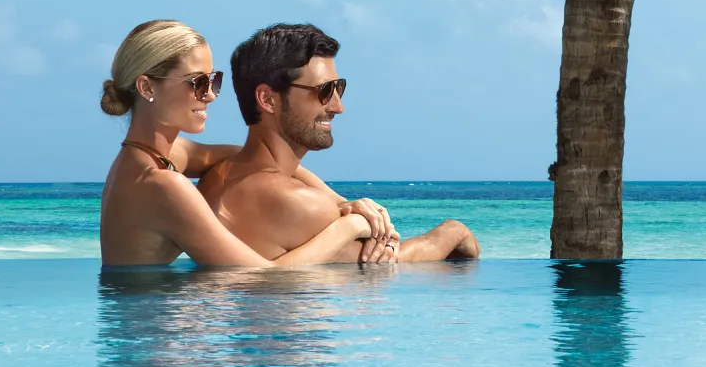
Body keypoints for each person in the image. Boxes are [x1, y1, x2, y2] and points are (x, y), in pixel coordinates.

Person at [99, 19, 384, 267]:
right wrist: (349, 225)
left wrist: (340, 201)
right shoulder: (163, 185)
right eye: (197, 83)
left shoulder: (148, 157)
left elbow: (256, 157)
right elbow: (261, 275)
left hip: (139, 318)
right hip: (152, 326)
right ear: (147, 87)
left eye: (213, 81)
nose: (210, 95)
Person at [201, 23, 479, 263]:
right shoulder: (298, 202)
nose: (338, 106)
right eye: (323, 91)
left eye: (338, 88)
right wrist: (453, 231)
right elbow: (392, 261)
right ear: (268, 99)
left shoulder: (215, 178)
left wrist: (342, 203)